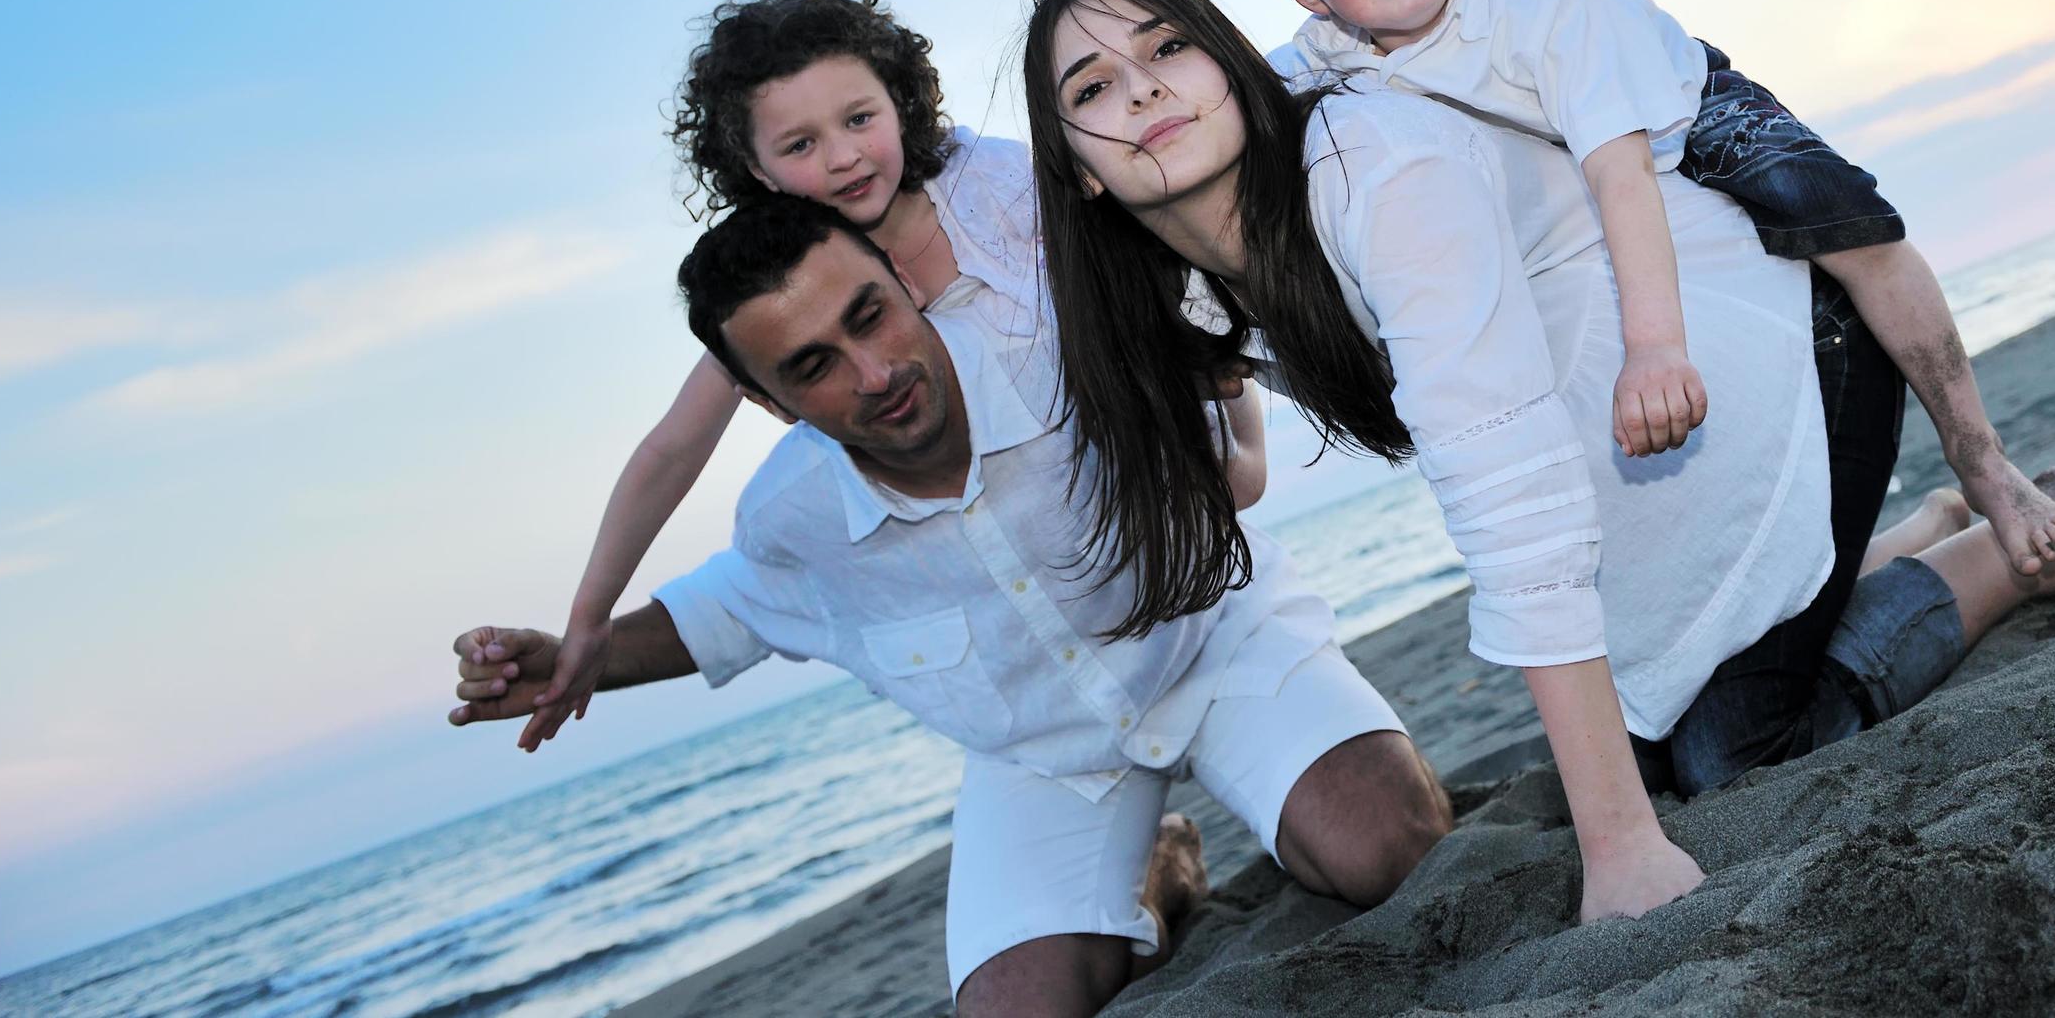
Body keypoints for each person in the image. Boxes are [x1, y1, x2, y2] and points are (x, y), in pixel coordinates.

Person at [1019, 0, 2055, 901]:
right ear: (1074, 169)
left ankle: (2026, 542)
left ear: (1227, 61)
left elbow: (1506, 488)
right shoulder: (1185, 290)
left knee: (1732, 759)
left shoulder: (1373, 173)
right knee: (1652, 738)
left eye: (1168, 45)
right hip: (1631, 447)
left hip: (1759, 346)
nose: (1143, 90)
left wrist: (1618, 849)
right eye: (1091, 88)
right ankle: (1900, 541)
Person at [448, 196, 1450, 1018]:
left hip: (1215, 642)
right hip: (1045, 754)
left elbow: (1235, 342)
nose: (872, 372)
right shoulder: (791, 520)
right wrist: (575, 658)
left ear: (903, 281)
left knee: (1385, 849)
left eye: (868, 314)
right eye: (812, 366)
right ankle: (1158, 871)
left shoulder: (1061, 348)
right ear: (769, 404)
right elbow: (722, 613)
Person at [1233, 0, 2055, 585]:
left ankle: (1982, 459)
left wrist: (1656, 352)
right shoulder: (1314, 66)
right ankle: (1919, 533)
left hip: (1679, 112)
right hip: (1567, 185)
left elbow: (1621, 170)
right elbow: (1222, 128)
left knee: (1853, 230)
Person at [520, 0, 1046, 748]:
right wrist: (589, 616)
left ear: (899, 101)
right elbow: (670, 450)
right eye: (799, 145)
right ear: (758, 171)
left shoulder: (992, 185)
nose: (843, 157)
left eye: (859, 118)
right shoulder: (794, 291)